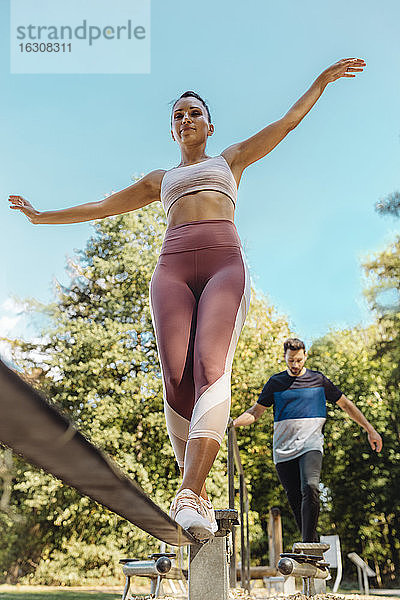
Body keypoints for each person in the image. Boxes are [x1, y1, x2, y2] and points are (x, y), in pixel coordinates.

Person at [9, 58, 367, 541]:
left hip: (223, 264)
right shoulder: (161, 180)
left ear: (209, 125)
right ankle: (193, 493)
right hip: (172, 268)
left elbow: (286, 122)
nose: (185, 119)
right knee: (176, 378)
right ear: (172, 130)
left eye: (193, 112)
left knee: (210, 366)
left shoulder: (231, 159)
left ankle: (188, 491)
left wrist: (321, 80)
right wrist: (41, 216)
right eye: (178, 115)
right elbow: (102, 205)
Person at [233, 337, 383, 542]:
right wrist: (232, 424)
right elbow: (255, 413)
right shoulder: (275, 383)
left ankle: (309, 545)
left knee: (310, 487)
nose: (295, 365)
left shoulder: (319, 381)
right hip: (283, 450)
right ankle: (310, 543)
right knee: (295, 499)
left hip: (310, 446)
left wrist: (370, 429)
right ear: (284, 358)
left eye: (298, 360)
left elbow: (346, 405)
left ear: (305, 356)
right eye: (290, 361)